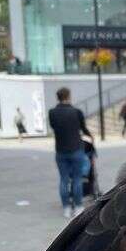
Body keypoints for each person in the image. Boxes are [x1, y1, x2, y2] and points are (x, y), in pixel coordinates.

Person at [48, 87, 93, 219]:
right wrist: (90, 136)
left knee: (63, 179)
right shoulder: (76, 112)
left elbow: (54, 127)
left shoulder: (52, 112)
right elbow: (83, 128)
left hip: (60, 150)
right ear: (68, 96)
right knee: (77, 179)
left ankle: (66, 208)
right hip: (76, 149)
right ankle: (78, 206)